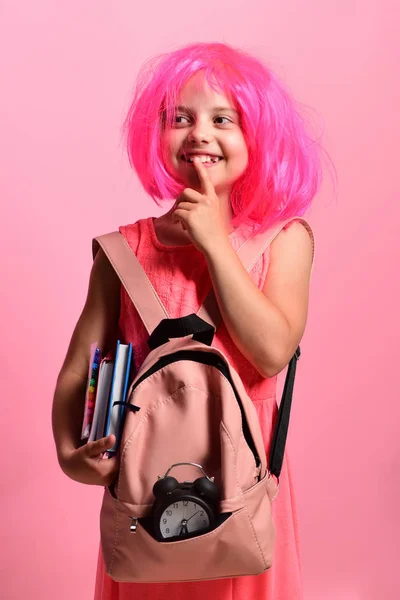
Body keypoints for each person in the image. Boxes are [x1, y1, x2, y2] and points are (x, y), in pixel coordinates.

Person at [52, 41, 325, 600]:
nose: (200, 133)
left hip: (244, 489)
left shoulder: (285, 240)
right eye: (181, 118)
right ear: (158, 138)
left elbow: (272, 352)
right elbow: (79, 368)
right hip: (147, 491)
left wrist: (215, 245)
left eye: (223, 119)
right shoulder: (123, 252)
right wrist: (67, 449)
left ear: (257, 138)